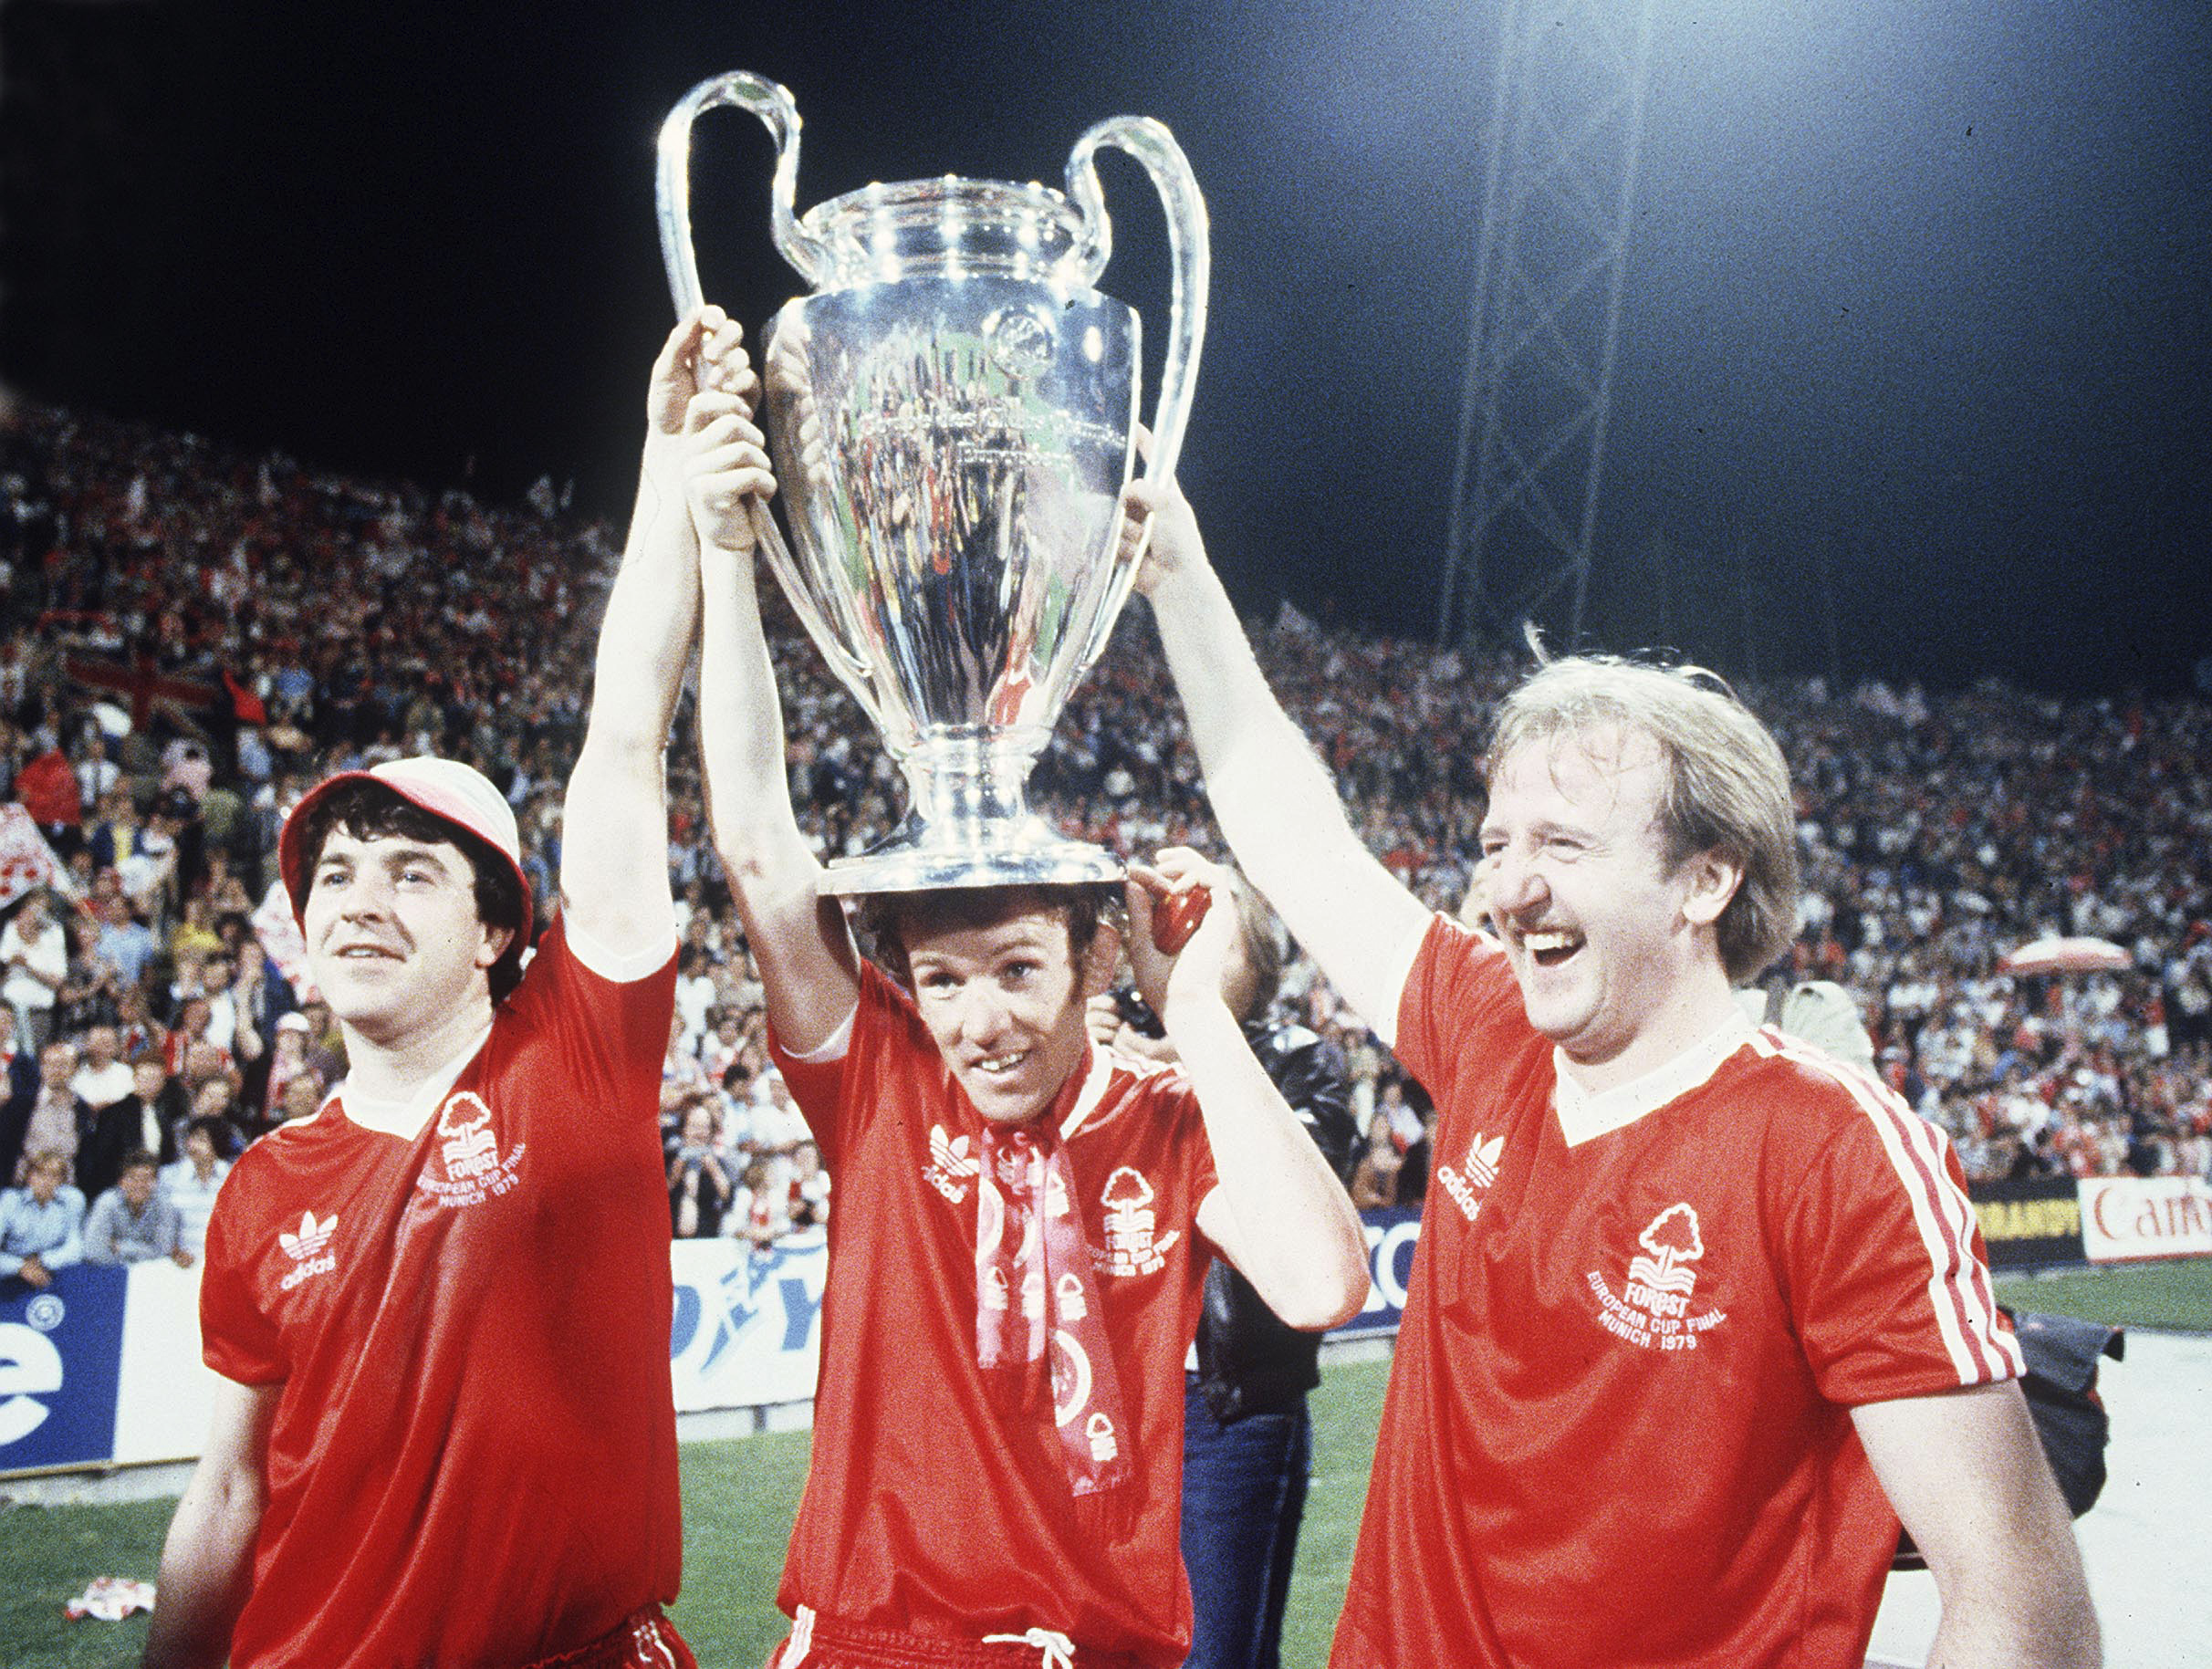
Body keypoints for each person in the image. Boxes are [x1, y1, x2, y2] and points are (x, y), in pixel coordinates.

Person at [1123, 469, 2101, 1669]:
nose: (1508, 884)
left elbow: (2023, 1610)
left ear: (1706, 878)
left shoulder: (1836, 1151)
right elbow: (1293, 838)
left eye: (1564, 844)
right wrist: (1181, 578)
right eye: (1496, 843)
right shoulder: (1489, 1029)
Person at [689, 360, 1370, 1668]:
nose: (976, 1021)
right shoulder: (884, 1079)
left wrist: (1205, 1018)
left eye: (1014, 969)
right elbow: (764, 855)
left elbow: (1321, 1278)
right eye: (939, 980)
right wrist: (728, 560)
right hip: (878, 1641)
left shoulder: (1169, 1117)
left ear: (1097, 955)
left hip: (1098, 1648)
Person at [141, 306, 769, 1669]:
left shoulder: (579, 1051)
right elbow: (229, 1493)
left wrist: (662, 460)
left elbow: (620, 729)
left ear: (498, 932)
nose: (359, 895)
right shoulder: (262, 1188)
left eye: (413, 871)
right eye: (338, 871)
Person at [1087, 872, 1359, 1669]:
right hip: (1116, 1400)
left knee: (1219, 1654)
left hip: (1229, 1403)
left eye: (1215, 918)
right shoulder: (1101, 1048)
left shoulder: (1303, 1057)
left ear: (1260, 957)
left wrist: (1173, 1057)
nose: (1188, 927)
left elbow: (1303, 1211)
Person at [83, 1149, 191, 1267]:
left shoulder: (165, 1205)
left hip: (151, 1272)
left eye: (146, 1178)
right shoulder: (107, 1202)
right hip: (112, 1271)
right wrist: (141, 1253)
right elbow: (92, 1250)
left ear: (156, 1182)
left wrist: (121, 1247)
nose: (139, 1184)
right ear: (121, 1182)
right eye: (132, 1178)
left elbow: (163, 1251)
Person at [0, 1147, 85, 1289]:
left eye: (54, 1175)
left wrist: (43, 1260)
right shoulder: (10, 1200)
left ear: (62, 1180)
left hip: (50, 1273)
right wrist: (20, 1267)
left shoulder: (73, 1199)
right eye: (40, 1174)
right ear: (29, 1176)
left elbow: (76, 1249)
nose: (46, 1181)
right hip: (9, 1276)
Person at [160, 1117, 232, 1257]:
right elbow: (161, 1226)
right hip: (177, 1264)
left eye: (201, 1140)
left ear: (217, 1144)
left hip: (219, 1265)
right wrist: (174, 1252)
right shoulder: (169, 1177)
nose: (193, 1145)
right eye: (191, 1139)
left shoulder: (233, 1178)